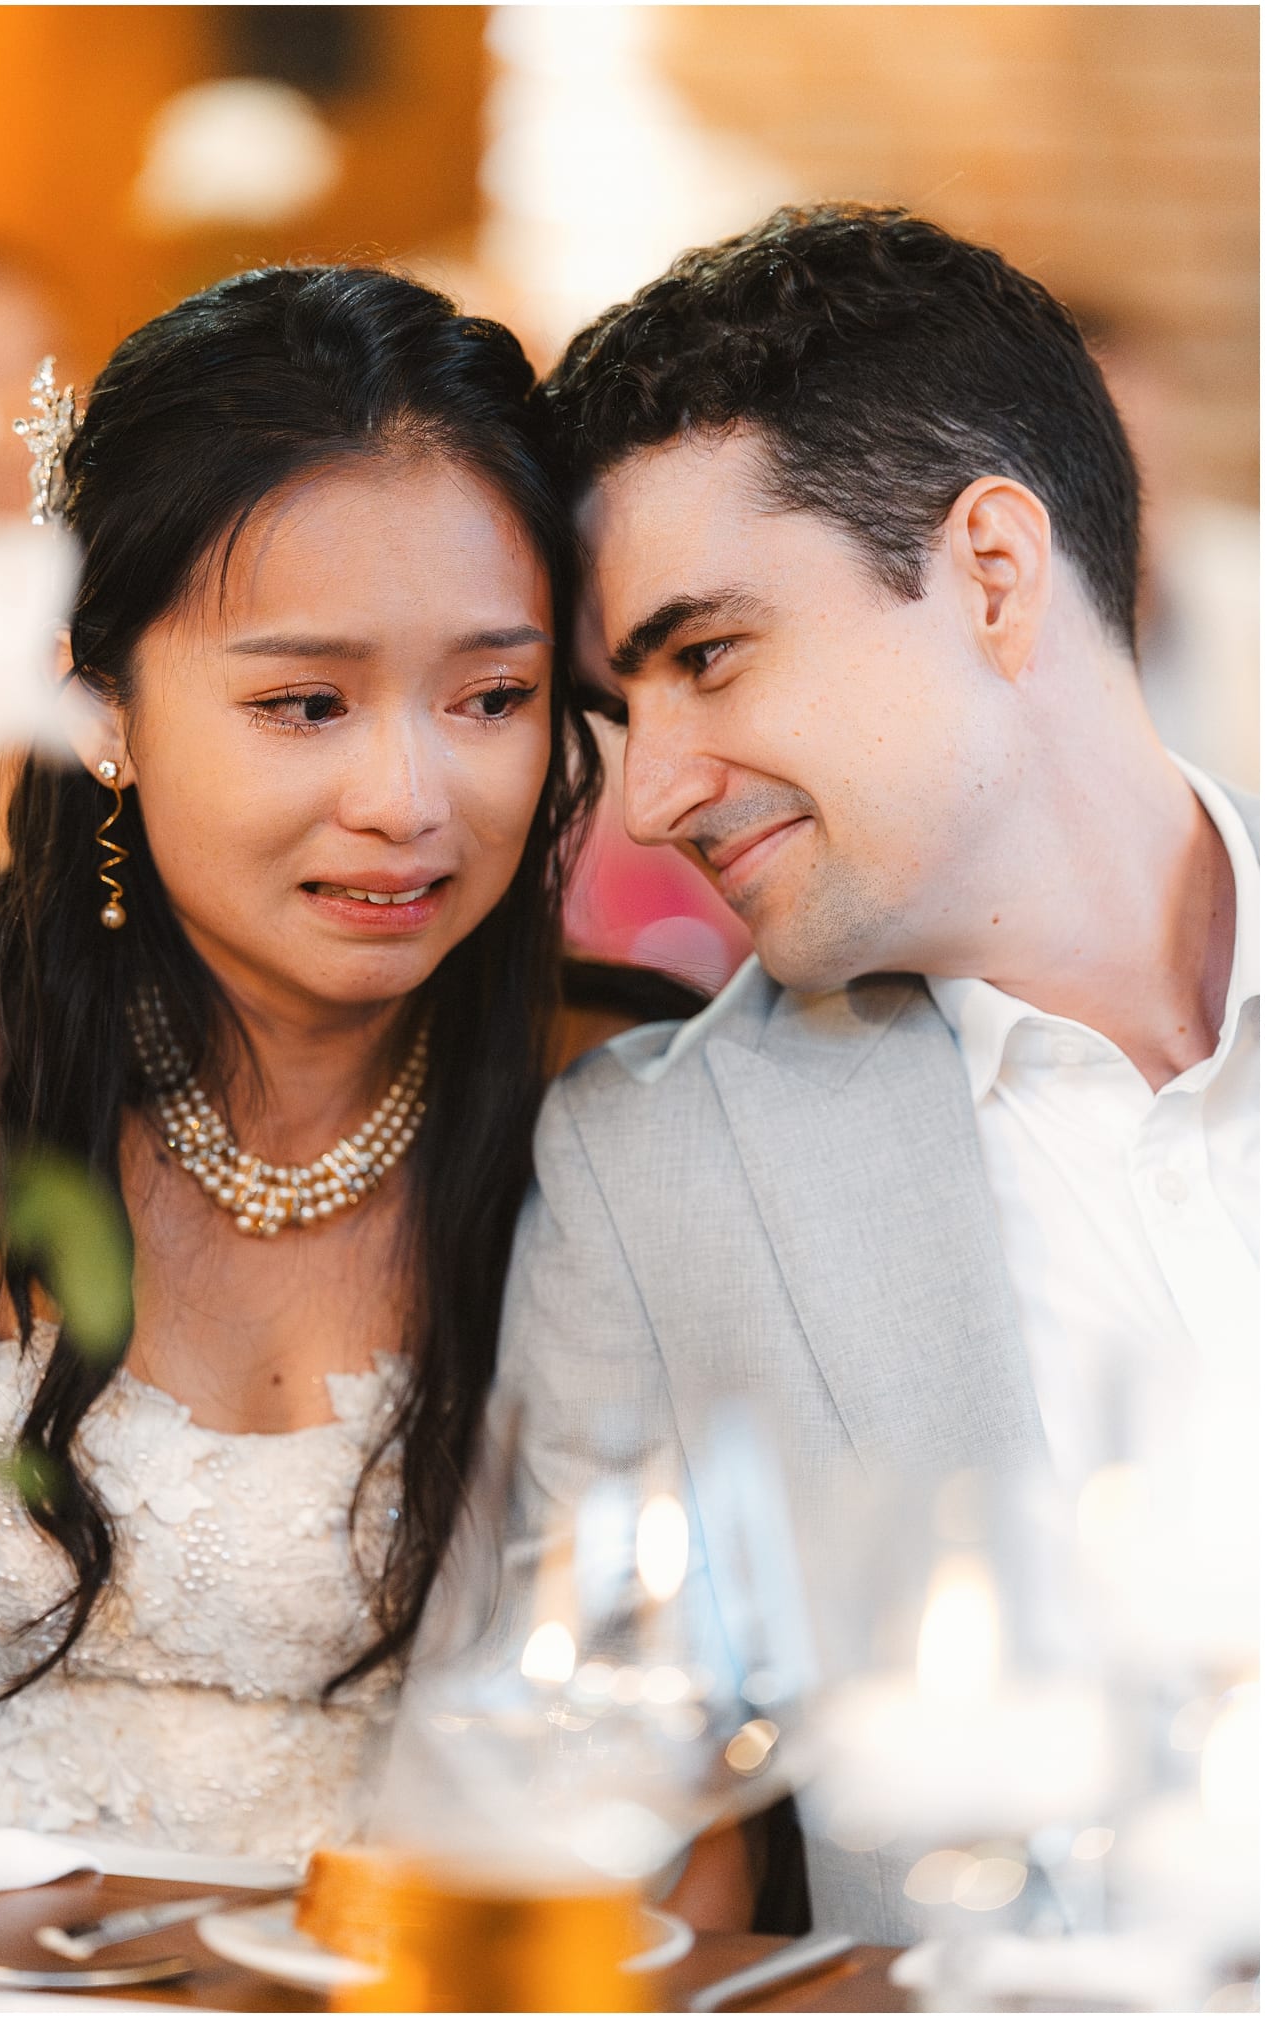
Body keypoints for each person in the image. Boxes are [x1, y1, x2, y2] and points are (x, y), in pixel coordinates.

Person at [468, 204, 1258, 1939]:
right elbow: (546, 1812)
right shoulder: (658, 1171)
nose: (657, 788)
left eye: (706, 654)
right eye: (621, 711)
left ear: (987, 570)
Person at [0, 262, 703, 1862]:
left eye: (491, 695)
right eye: (305, 702)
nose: (408, 797)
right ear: (100, 700)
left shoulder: (631, 1099)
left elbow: (685, 1761)